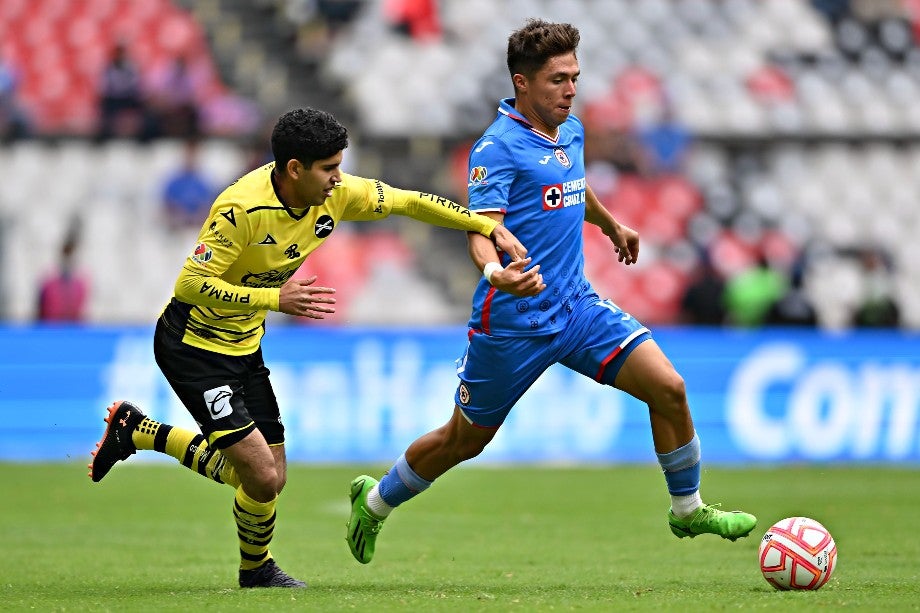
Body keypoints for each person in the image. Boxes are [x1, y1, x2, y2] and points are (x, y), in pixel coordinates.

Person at [345, 19, 757, 566]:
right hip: (513, 322)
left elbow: (572, 189)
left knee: (670, 388)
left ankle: (687, 510)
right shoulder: (496, 149)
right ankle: (373, 503)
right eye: (557, 80)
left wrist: (610, 225)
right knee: (462, 442)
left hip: (577, 307)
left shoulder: (571, 131)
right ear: (522, 82)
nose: (570, 90)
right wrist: (496, 274)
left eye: (575, 78)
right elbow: (480, 228)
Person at [87, 107, 531, 589]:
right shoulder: (240, 210)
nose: (338, 179)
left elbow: (408, 202)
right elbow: (191, 285)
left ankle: (139, 431)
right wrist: (274, 298)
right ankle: (256, 571)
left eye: (340, 166)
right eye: (329, 169)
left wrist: (483, 225)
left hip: (244, 346)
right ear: (294, 168)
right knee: (260, 476)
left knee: (269, 476)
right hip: (193, 346)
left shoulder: (336, 195)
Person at [160, 138, 217, 231]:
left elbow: (208, 205)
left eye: (193, 155)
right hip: (177, 227)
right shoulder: (173, 182)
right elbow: (167, 205)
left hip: (198, 227)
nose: (190, 158)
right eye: (188, 155)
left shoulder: (206, 182)